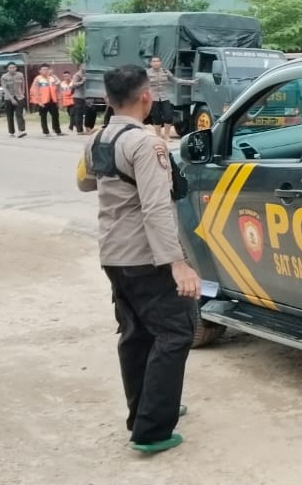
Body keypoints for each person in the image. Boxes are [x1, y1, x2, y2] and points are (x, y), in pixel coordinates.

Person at [75, 63, 199, 454]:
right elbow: (156, 209)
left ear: (108, 100)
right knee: (175, 332)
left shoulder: (97, 139)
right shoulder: (146, 143)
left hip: (113, 254)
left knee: (137, 334)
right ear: (146, 96)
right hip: (145, 257)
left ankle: (145, 409)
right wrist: (176, 262)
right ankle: (152, 429)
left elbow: (84, 182)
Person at [146, 56, 195, 139]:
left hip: (164, 97)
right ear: (150, 63)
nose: (156, 63)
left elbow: (176, 80)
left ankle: (166, 135)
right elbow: (142, 84)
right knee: (156, 117)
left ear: (160, 62)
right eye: (154, 61)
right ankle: (158, 136)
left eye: (158, 61)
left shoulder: (165, 72)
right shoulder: (147, 73)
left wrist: (190, 82)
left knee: (168, 116)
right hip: (153, 98)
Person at [30, 64, 64, 136]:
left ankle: (57, 131)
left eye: (47, 69)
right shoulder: (38, 79)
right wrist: (38, 101)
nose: (45, 71)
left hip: (52, 100)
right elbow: (34, 90)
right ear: (40, 71)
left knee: (55, 115)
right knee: (43, 117)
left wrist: (59, 100)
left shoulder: (52, 78)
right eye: (43, 69)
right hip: (43, 101)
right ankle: (46, 132)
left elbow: (58, 86)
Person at [0, 62, 28, 139]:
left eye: (14, 67)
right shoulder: (4, 77)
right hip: (8, 98)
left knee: (19, 114)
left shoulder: (20, 75)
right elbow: (5, 88)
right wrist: (11, 99)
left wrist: (23, 94)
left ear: (16, 68)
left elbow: (23, 84)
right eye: (10, 68)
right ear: (7, 69)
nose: (12, 69)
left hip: (19, 97)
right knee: (10, 115)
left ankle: (21, 130)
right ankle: (11, 132)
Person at [71, 64, 88, 134]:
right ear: (80, 67)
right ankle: (79, 130)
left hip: (84, 96)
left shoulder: (86, 74)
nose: (86, 67)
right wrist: (82, 82)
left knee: (84, 113)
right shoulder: (77, 75)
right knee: (79, 114)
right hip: (78, 97)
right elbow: (74, 85)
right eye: (84, 66)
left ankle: (84, 129)